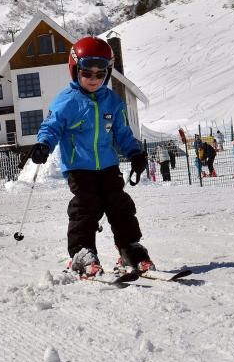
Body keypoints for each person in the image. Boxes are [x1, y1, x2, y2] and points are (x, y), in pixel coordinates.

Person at [28, 36, 151, 277]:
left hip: (108, 166)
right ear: (75, 70)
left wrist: (135, 152)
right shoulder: (67, 101)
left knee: (120, 205)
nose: (93, 79)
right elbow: (51, 127)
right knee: (86, 206)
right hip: (79, 167)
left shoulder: (112, 101)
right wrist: (44, 144)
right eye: (87, 73)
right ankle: (82, 252)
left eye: (100, 74)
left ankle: (129, 248)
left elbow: (122, 133)